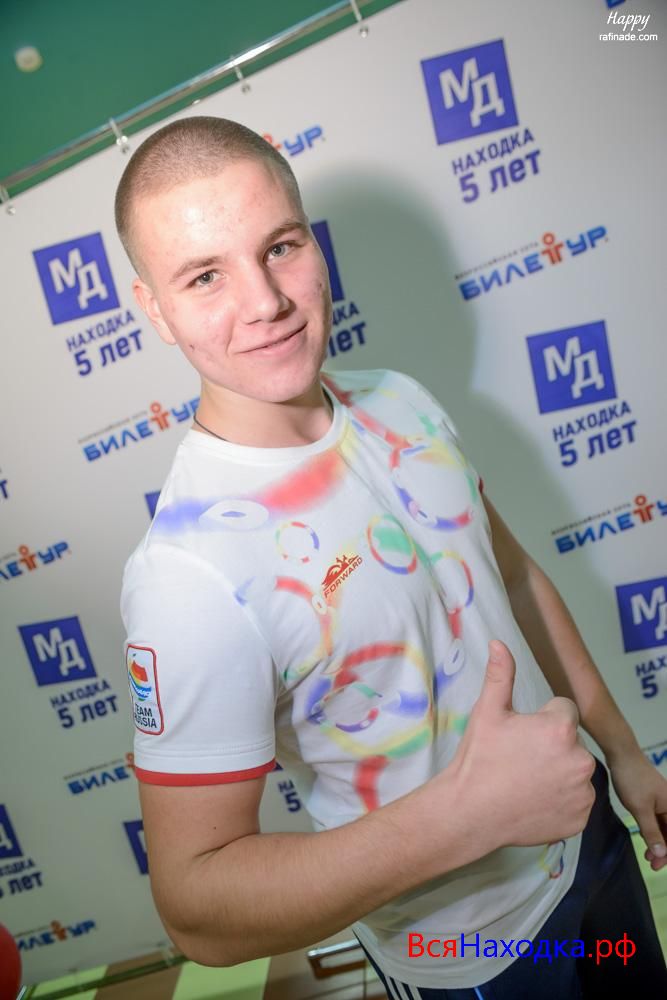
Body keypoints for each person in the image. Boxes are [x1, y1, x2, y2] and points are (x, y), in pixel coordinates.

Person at [116, 116, 667, 997]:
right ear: (153, 308)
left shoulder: (398, 400)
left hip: (590, 839)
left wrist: (623, 753)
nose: (264, 301)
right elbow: (196, 908)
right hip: (470, 953)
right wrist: (467, 816)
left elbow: (514, 579)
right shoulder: (189, 572)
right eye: (205, 275)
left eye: (280, 247)